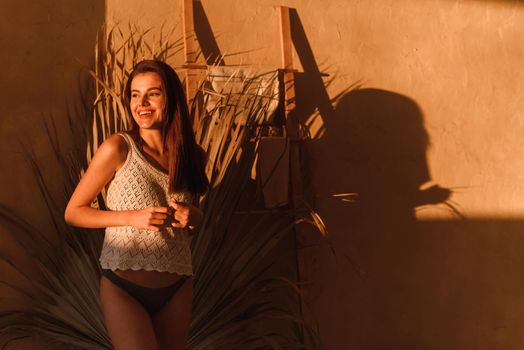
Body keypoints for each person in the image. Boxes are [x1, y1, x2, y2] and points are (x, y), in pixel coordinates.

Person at [64, 60, 208, 350]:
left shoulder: (193, 156)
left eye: (152, 94)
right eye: (134, 94)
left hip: (177, 284)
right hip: (123, 287)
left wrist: (192, 216)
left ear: (171, 98)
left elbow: (195, 222)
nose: (141, 103)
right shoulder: (118, 148)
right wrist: (132, 218)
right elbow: (73, 212)